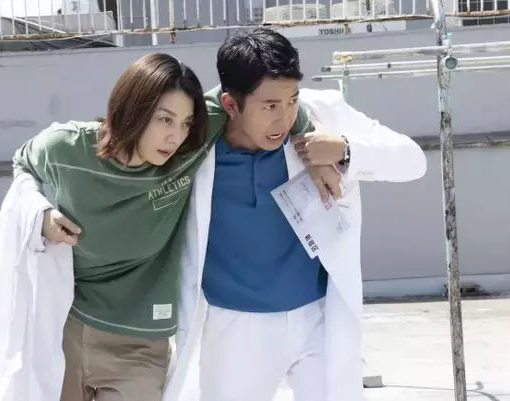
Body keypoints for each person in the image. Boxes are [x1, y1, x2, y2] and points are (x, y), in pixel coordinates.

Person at [163, 28, 428, 401]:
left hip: (317, 320)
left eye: (292, 100)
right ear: (231, 104)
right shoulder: (192, 143)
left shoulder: (321, 115)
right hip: (235, 328)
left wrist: (345, 150)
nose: (284, 118)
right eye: (270, 106)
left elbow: (412, 160)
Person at [10, 52, 217, 401]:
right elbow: (22, 164)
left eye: (185, 123)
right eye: (165, 119)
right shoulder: (66, 148)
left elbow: (263, 91)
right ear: (133, 108)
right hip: (67, 328)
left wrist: (313, 135)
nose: (176, 137)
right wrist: (39, 214)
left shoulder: (184, 156)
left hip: (141, 345)